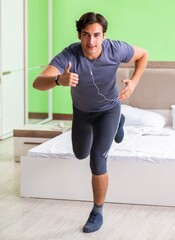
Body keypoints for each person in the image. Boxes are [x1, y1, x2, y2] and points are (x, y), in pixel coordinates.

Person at [33, 12, 148, 233]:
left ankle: (97, 211)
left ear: (104, 35)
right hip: (82, 113)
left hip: (108, 110)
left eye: (96, 35)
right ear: (79, 35)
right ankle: (120, 122)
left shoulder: (116, 49)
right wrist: (58, 80)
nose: (91, 41)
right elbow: (37, 83)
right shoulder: (69, 56)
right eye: (86, 35)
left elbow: (143, 55)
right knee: (80, 153)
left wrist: (134, 82)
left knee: (97, 160)